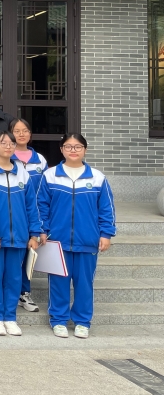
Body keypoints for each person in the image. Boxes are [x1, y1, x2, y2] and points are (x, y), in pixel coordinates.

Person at [37, 133, 116, 339]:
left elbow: (106, 209)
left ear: (85, 150)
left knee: (84, 284)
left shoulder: (97, 177)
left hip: (87, 240)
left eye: (78, 146)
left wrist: (106, 233)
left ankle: (82, 321)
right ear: (61, 149)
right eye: (68, 146)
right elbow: (41, 206)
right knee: (58, 283)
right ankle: (58, 320)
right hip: (57, 241)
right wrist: (42, 230)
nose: (73, 150)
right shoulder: (50, 175)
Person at [0, 131, 42, 337]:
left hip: (20, 237)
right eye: (3, 143)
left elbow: (31, 206)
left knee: (14, 279)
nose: (8, 146)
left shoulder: (22, 173)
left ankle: (10, 317)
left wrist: (34, 233)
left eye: (11, 143)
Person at [10, 118, 48, 314]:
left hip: (33, 216)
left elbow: (44, 193)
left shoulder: (40, 160)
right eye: (16, 131)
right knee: (12, 257)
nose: (21, 134)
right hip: (11, 216)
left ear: (30, 134)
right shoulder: (4, 155)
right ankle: (10, 293)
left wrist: (41, 226)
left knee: (28, 256)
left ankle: (24, 293)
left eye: (25, 130)